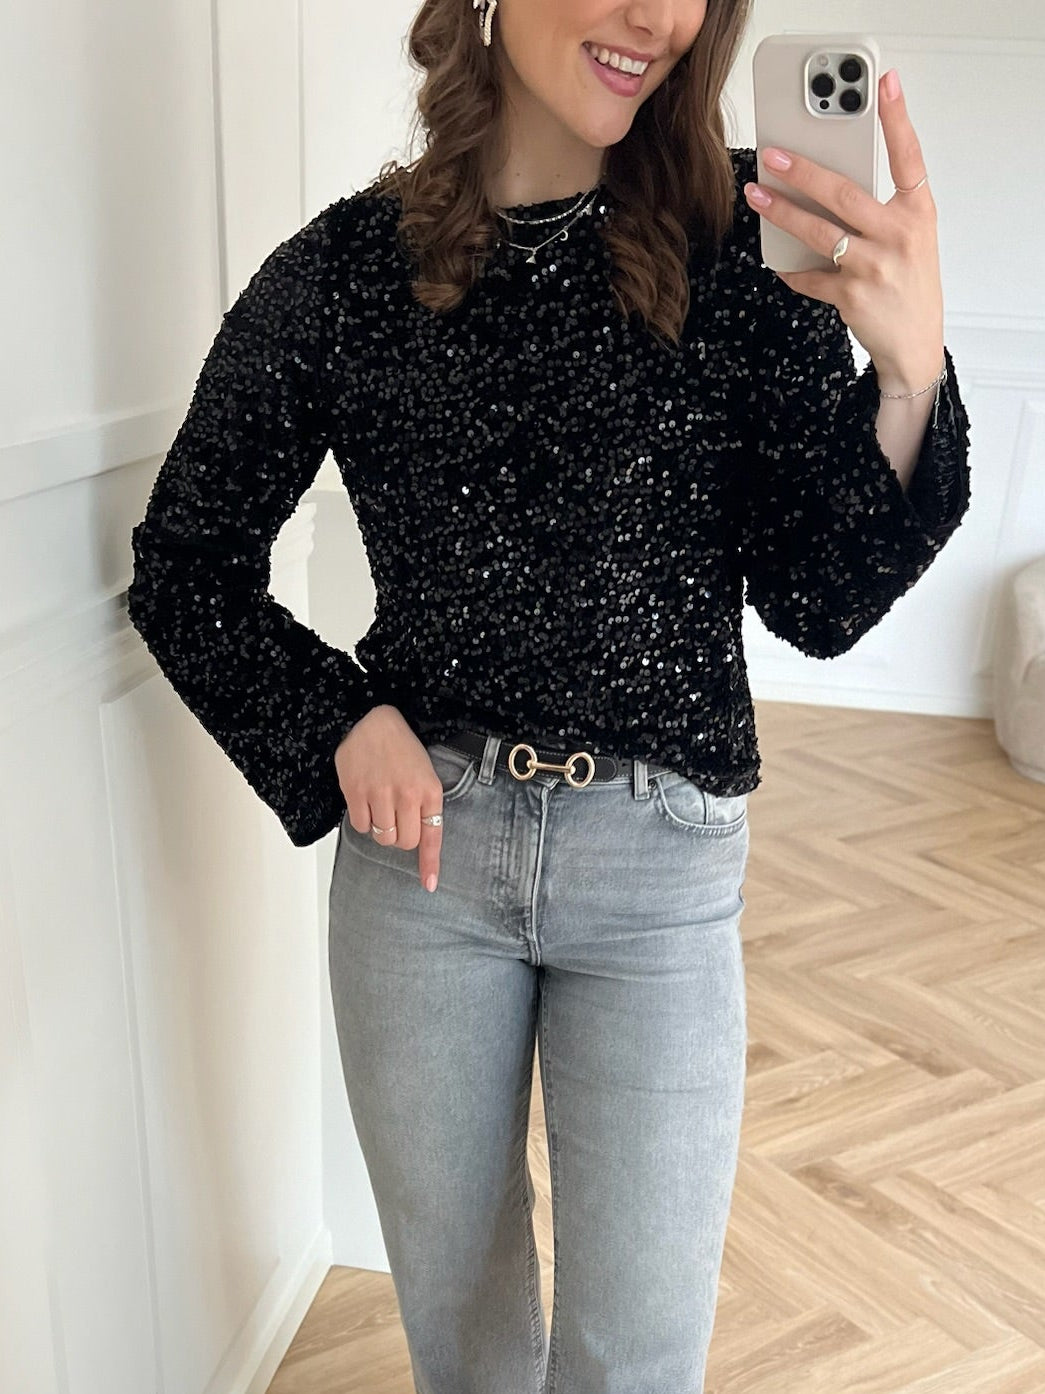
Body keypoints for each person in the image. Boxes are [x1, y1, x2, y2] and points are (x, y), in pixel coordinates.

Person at [126, 0, 971, 1389]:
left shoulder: (738, 247)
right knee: (463, 1349)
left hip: (659, 876)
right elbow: (185, 564)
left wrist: (907, 373)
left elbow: (819, 602)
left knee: (636, 1360)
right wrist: (336, 721)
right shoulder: (350, 269)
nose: (656, 15)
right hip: (422, 872)